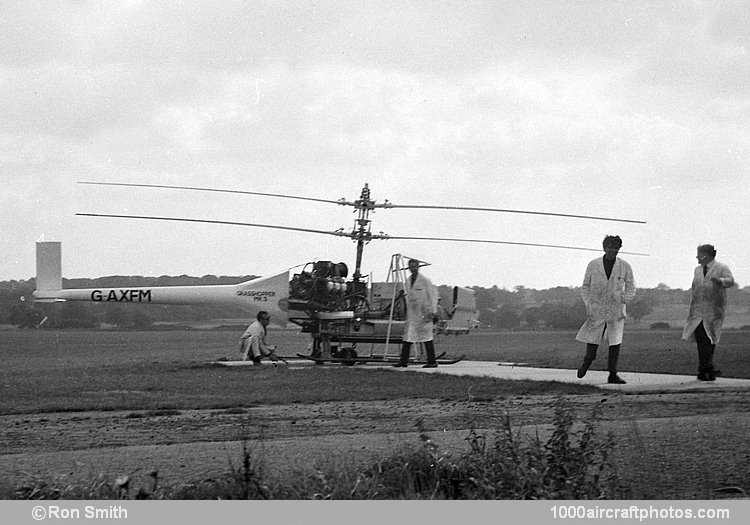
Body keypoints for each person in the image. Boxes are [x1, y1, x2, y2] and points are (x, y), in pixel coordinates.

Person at [575, 235, 636, 384]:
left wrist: (624, 299)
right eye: (609, 247)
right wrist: (588, 303)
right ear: (604, 248)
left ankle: (612, 374)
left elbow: (631, 287)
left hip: (615, 310)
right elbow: (585, 286)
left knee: (614, 342)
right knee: (592, 339)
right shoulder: (593, 265)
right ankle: (587, 362)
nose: (612, 250)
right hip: (597, 308)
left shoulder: (625, 266)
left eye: (615, 248)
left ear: (619, 249)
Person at [682, 244, 734, 381]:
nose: (697, 257)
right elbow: (695, 288)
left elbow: (730, 281)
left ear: (706, 254)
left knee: (710, 338)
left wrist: (721, 281)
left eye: (699, 253)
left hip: (713, 310)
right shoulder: (697, 270)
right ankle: (706, 369)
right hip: (698, 310)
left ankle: (705, 369)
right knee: (702, 339)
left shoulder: (721, 268)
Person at [393, 258, 440, 368]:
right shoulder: (408, 281)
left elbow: (433, 295)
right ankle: (403, 361)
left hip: (424, 314)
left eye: (415, 267)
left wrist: (433, 311)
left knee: (426, 337)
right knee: (408, 337)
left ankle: (432, 361)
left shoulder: (425, 280)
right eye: (411, 267)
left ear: (418, 267)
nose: (413, 269)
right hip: (412, 314)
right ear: (409, 268)